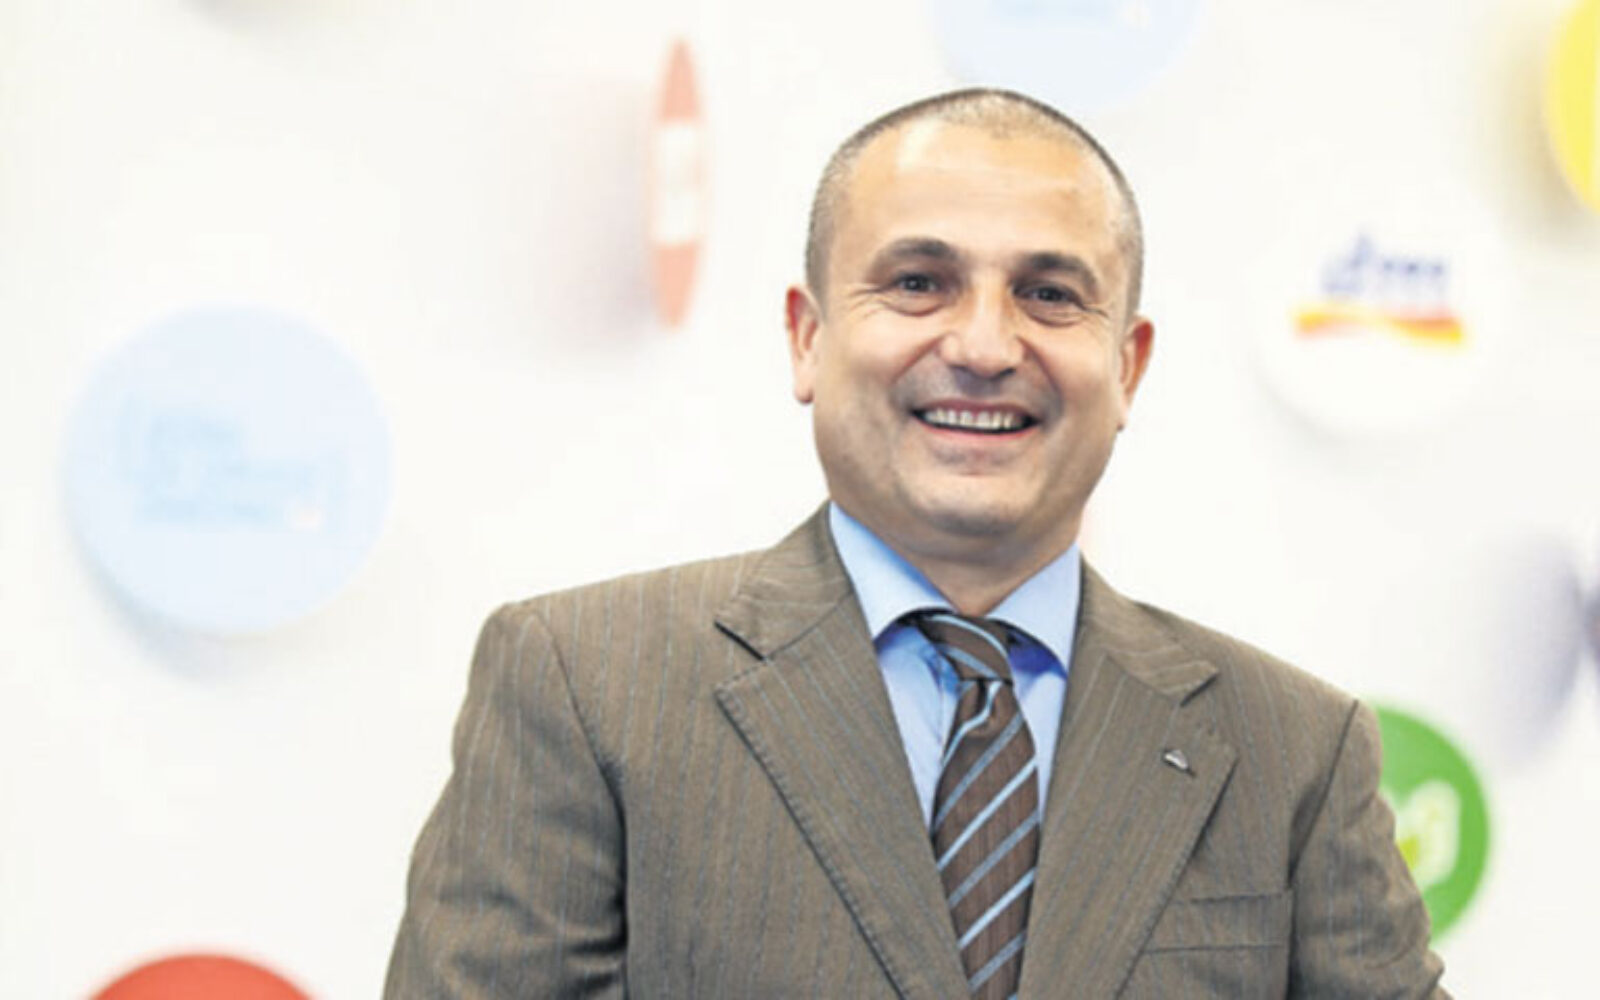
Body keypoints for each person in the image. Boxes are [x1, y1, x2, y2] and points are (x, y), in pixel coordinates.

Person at [384, 88, 1448, 998]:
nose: (983, 344)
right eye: (917, 282)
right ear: (808, 337)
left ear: (1128, 367)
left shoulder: (1296, 750)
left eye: (1048, 293)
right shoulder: (584, 685)